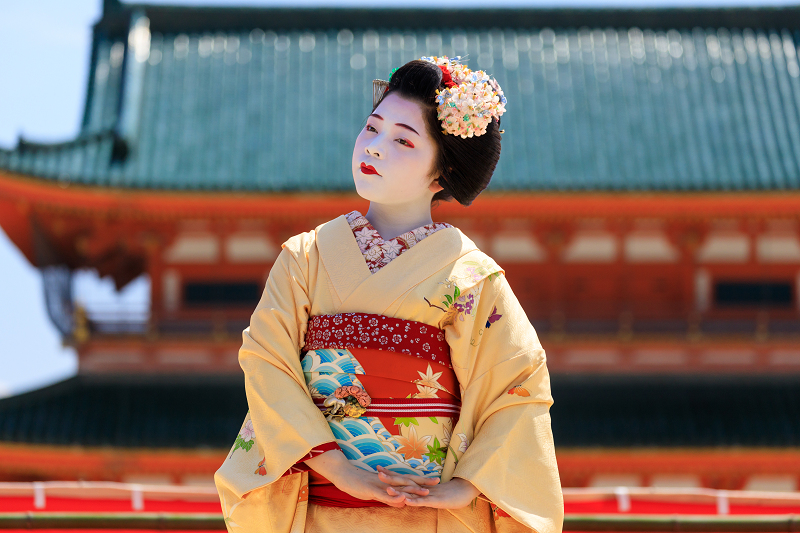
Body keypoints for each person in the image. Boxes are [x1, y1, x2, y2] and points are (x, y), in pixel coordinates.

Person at [214, 56, 563, 533]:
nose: (374, 148)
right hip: (320, 505)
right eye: (372, 128)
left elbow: (517, 384)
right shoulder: (305, 256)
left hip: (428, 513)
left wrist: (467, 485)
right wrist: (338, 467)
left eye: (402, 140)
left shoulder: (470, 274)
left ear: (443, 172)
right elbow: (267, 360)